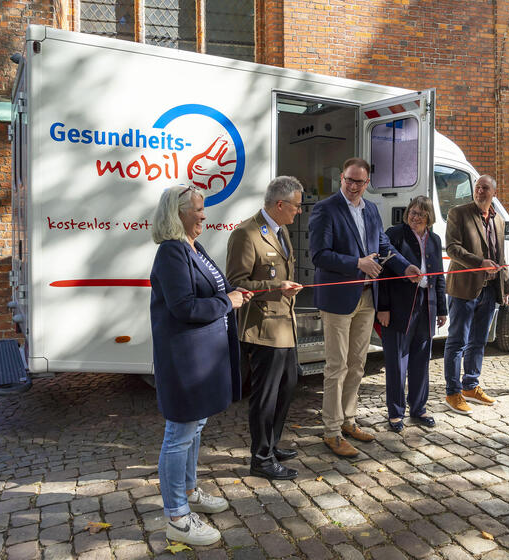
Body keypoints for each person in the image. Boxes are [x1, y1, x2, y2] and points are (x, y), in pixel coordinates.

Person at [150, 185, 252, 545]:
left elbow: (214, 292)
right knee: (179, 435)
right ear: (177, 213)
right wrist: (229, 302)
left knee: (194, 428)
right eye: (198, 209)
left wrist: (233, 296)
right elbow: (185, 308)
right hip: (185, 361)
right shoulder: (171, 253)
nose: (204, 215)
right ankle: (177, 516)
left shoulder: (193, 247)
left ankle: (190, 491)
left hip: (204, 358)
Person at [309, 157, 421, 457]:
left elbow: (384, 246)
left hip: (368, 296)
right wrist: (357, 263)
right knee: (336, 366)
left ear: (367, 182)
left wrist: (406, 266)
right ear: (341, 178)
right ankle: (331, 431)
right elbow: (319, 255)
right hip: (338, 298)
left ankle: (348, 420)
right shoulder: (325, 209)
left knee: (358, 364)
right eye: (349, 180)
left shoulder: (371, 209)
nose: (353, 186)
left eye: (359, 182)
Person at [226, 176, 305, 480]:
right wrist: (277, 286)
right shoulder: (246, 234)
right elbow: (235, 282)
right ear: (280, 204)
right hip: (263, 328)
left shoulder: (281, 229)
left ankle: (271, 444)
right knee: (266, 396)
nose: (299, 211)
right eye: (296, 206)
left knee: (287, 387)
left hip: (286, 325)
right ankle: (261, 459)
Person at [443, 175, 509, 415]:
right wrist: (479, 263)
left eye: (485, 188)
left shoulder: (499, 221)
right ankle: (452, 393)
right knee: (457, 342)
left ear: (494, 192)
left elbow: (501, 258)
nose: (480, 191)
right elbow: (453, 248)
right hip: (463, 289)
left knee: (478, 342)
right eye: (477, 187)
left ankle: (471, 386)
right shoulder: (458, 213)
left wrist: (508, 287)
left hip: (489, 291)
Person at [377, 196, 447, 432]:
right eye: (412, 212)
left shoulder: (435, 240)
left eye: (420, 214)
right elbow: (383, 274)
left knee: (420, 360)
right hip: (398, 307)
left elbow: (438, 276)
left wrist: (443, 309)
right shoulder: (394, 234)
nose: (414, 217)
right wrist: (383, 307)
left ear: (429, 218)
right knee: (397, 362)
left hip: (427, 306)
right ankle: (396, 413)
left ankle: (419, 408)